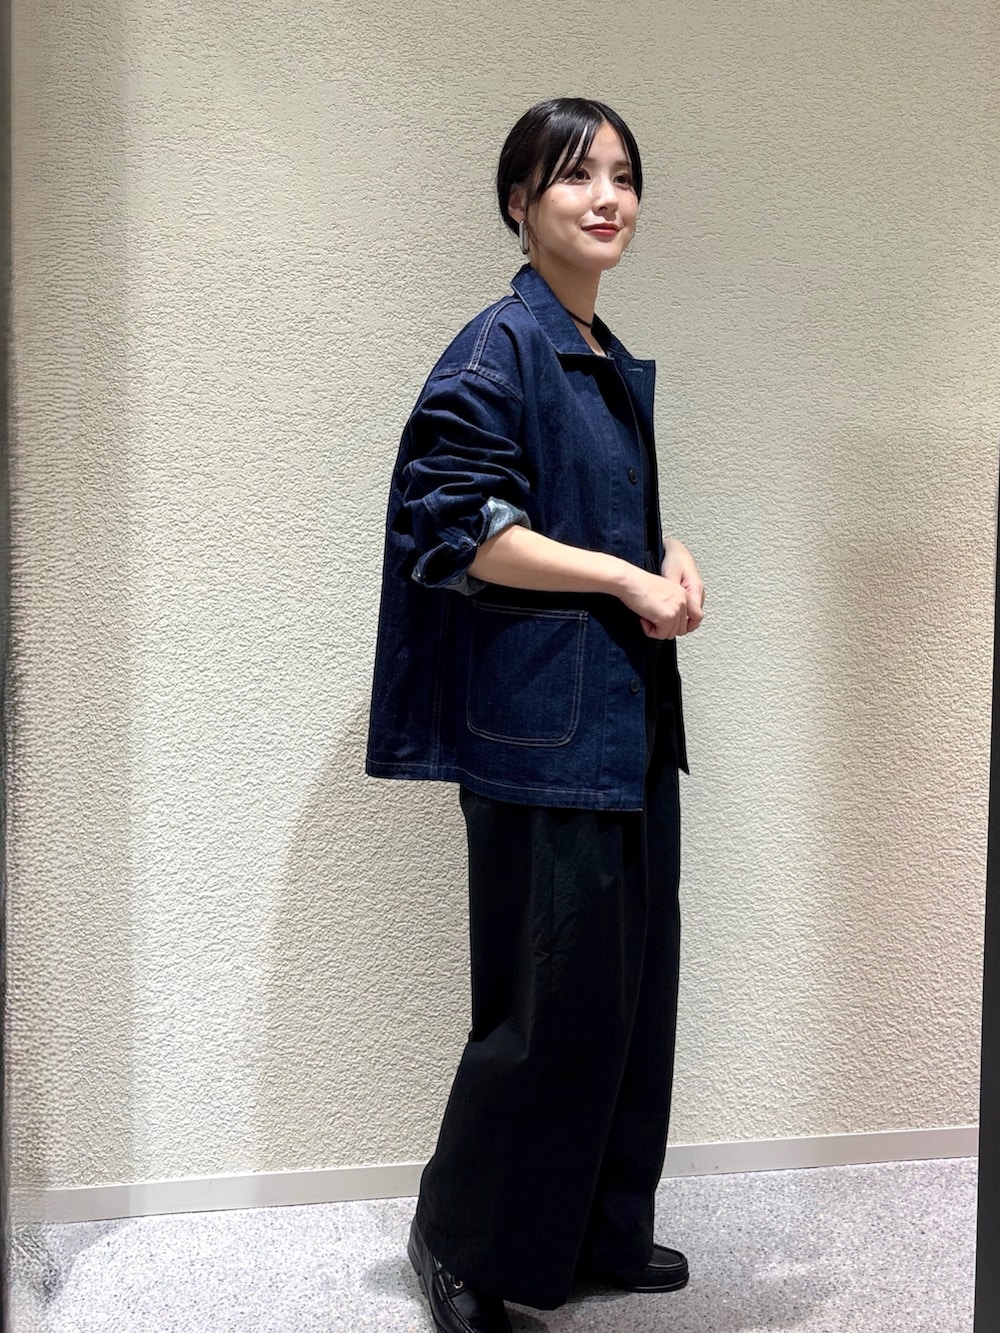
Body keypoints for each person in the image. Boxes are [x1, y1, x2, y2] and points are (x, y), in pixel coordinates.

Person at [366, 97, 705, 1333]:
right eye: (574, 177)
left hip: (622, 721)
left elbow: (583, 518)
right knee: (542, 1007)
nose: (606, 198)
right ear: (519, 203)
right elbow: (461, 528)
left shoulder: (593, 349)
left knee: (628, 994)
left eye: (623, 175)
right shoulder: (495, 348)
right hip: (543, 734)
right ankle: (457, 1242)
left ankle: (596, 1228)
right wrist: (621, 578)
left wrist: (665, 552)